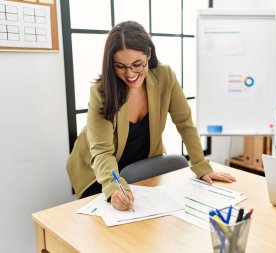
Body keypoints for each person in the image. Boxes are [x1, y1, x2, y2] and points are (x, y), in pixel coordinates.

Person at [66, 21, 236, 211]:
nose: (130, 74)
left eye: (137, 64)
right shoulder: (101, 92)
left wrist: (201, 166)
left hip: (141, 163)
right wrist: (113, 188)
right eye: (120, 66)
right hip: (99, 171)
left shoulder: (165, 77)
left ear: (148, 53)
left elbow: (184, 123)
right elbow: (102, 151)